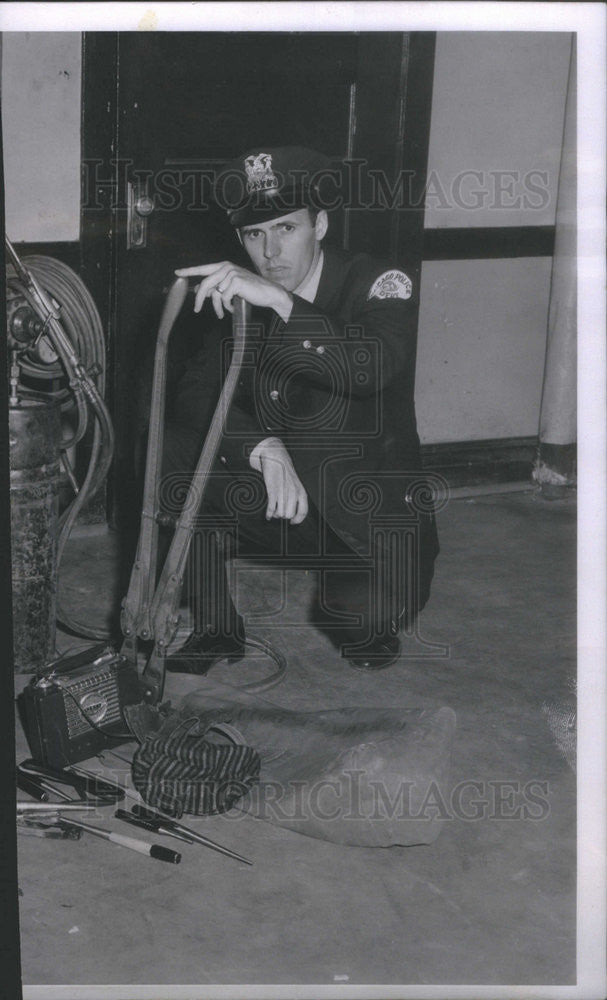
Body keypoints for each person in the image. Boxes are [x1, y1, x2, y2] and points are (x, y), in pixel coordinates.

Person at [160, 146, 439, 673]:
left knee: (358, 615)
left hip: (363, 513)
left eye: (286, 229)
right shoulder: (241, 298)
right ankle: (217, 628)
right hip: (282, 499)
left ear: (321, 225)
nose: (269, 252)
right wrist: (260, 446)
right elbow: (194, 394)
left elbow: (367, 367)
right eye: (254, 235)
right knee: (170, 450)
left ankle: (371, 605)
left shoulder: (378, 284)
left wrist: (282, 303)